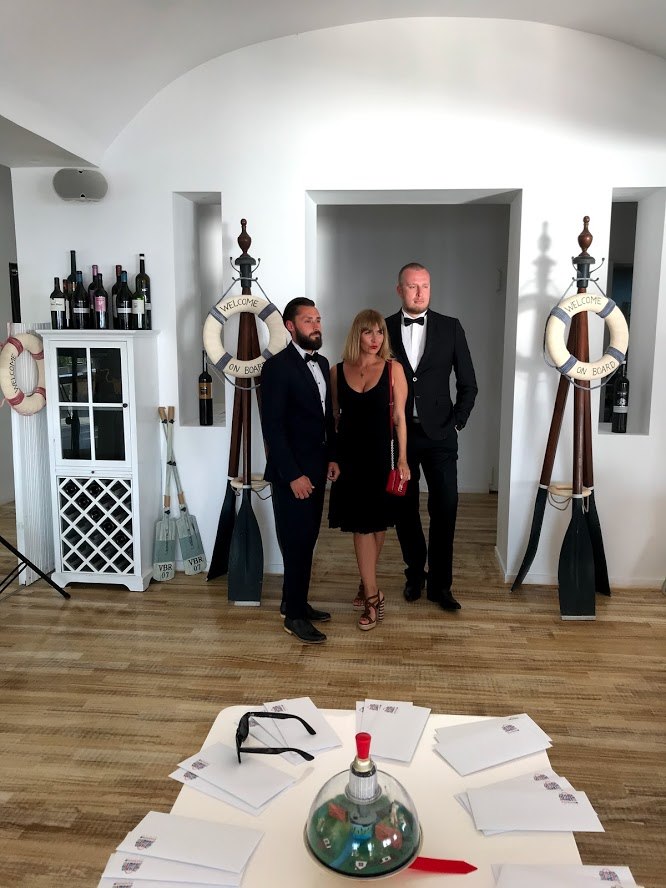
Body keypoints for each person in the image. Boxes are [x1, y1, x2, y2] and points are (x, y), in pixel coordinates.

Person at [385, 263, 477, 611]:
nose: (420, 292)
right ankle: (414, 574)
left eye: (425, 285)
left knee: (445, 506)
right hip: (399, 437)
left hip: (440, 435)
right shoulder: (383, 329)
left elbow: (468, 383)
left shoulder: (450, 327)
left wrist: (457, 423)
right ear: (400, 290)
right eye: (412, 286)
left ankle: (441, 585)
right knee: (403, 508)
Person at [261, 298, 340, 644]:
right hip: (292, 474)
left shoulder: (321, 363)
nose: (316, 325)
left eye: (318, 319)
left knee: (307, 540)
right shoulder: (276, 368)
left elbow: (327, 419)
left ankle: (293, 602)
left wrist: (332, 457)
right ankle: (294, 617)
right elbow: (273, 429)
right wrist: (293, 475)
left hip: (318, 468)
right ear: (290, 326)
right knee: (295, 543)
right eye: (308, 320)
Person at [328, 309, 410, 630]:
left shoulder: (393, 369)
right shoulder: (337, 371)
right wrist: (333, 458)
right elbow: (335, 419)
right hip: (350, 459)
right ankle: (374, 598)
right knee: (361, 526)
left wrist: (403, 459)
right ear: (357, 334)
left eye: (379, 332)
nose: (375, 339)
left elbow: (400, 418)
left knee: (376, 525)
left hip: (381, 458)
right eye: (368, 332)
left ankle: (366, 580)